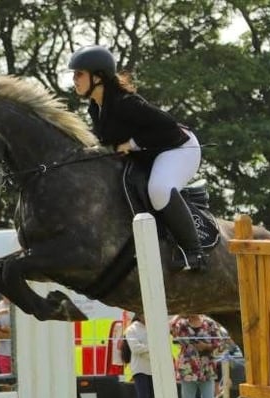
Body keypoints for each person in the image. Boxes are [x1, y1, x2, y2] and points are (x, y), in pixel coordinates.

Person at [68, 45, 206, 271]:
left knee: (159, 189)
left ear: (98, 77)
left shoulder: (125, 103)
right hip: (151, 154)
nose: (74, 79)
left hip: (179, 147)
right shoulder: (96, 108)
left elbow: (168, 126)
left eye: (79, 74)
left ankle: (195, 253)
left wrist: (131, 143)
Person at [169, 314, 222, 398]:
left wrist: (206, 346)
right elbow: (170, 328)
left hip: (206, 369)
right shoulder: (182, 324)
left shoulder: (209, 323)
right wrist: (179, 315)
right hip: (187, 369)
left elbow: (218, 343)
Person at [124, 314, 155, 398]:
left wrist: (146, 349)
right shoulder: (131, 329)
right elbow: (135, 348)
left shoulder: (153, 327)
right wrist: (151, 348)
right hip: (139, 368)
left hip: (153, 368)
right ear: (139, 315)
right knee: (144, 397)